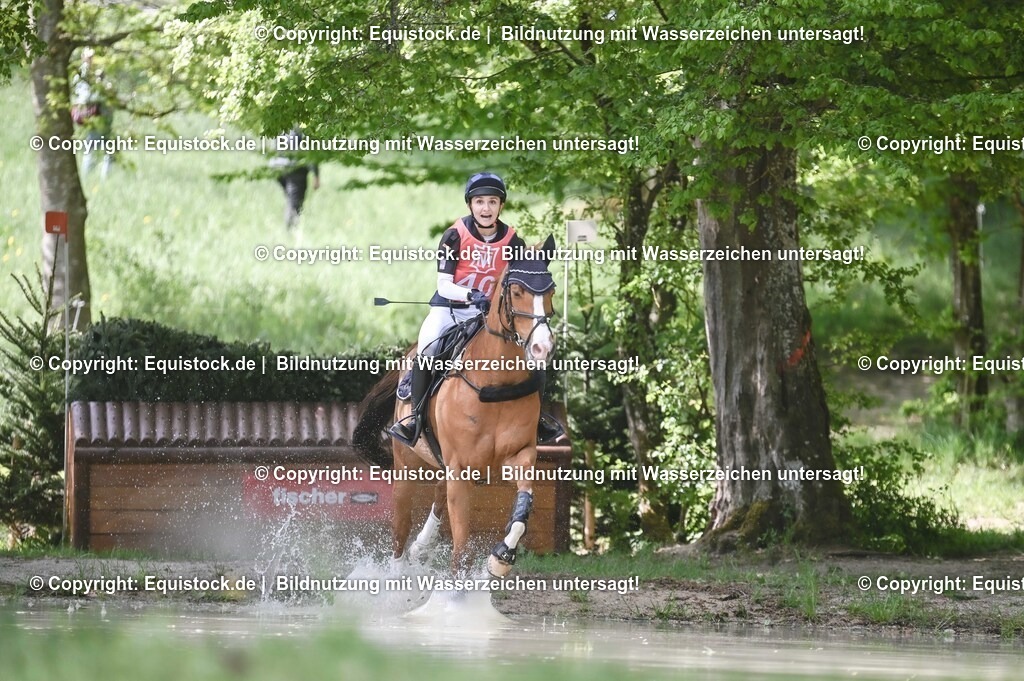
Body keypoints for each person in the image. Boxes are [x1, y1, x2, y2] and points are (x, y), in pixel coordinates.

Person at [389, 172, 563, 446]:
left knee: (532, 353)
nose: (486, 208)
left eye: (492, 202)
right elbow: (444, 284)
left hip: (489, 316)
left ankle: (538, 417)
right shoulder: (454, 236)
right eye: (480, 201)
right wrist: (472, 294)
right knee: (427, 346)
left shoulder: (513, 242)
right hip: (450, 310)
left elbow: (518, 283)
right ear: (470, 205)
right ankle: (415, 418)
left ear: (501, 206)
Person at [71, 48, 115, 177]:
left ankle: (102, 178)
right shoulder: (83, 74)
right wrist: (103, 90)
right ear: (83, 57)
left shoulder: (97, 72)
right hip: (95, 115)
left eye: (93, 56)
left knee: (106, 147)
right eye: (89, 56)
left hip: (102, 115)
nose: (92, 59)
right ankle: (88, 176)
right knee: (93, 147)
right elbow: (86, 97)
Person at [270, 127, 320, 229]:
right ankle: (291, 230)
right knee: (294, 202)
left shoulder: (281, 123)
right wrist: (316, 175)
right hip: (296, 168)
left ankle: (291, 227)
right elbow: (310, 151)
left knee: (291, 199)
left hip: (278, 167)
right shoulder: (304, 126)